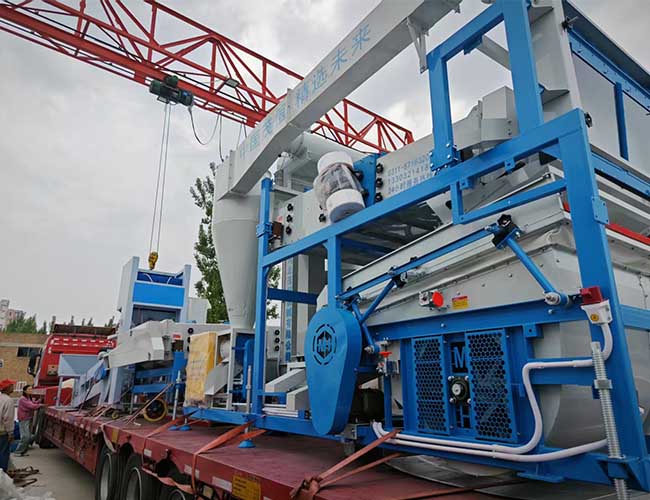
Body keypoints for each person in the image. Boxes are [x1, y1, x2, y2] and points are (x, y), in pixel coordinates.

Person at [14, 385, 41, 456]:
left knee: (28, 436)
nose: (30, 390)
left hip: (29, 418)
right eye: (29, 389)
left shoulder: (29, 398)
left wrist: (39, 401)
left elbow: (32, 403)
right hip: (24, 419)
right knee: (25, 436)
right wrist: (41, 405)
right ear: (25, 391)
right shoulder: (22, 399)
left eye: (31, 389)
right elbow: (31, 406)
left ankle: (23, 451)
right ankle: (17, 452)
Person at [0, 379, 16, 473]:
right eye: (12, 385)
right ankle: (2, 475)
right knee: (3, 453)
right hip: (2, 432)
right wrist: (11, 433)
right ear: (7, 388)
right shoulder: (8, 400)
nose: (13, 387)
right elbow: (8, 419)